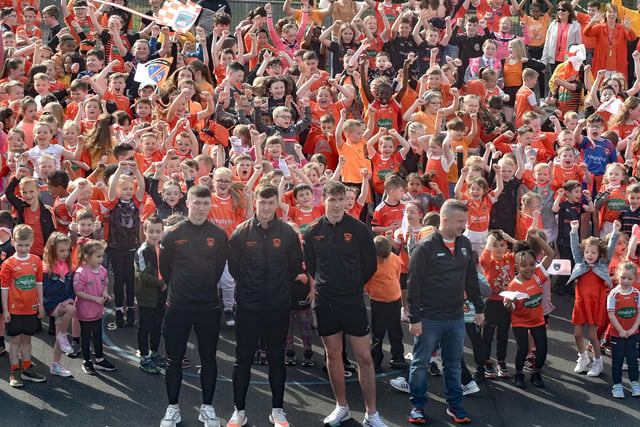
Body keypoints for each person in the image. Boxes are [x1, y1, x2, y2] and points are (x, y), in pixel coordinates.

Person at [303, 181, 385, 427]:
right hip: (325, 301)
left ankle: (372, 414)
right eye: (332, 200)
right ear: (324, 200)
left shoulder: (359, 229)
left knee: (364, 357)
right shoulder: (312, 231)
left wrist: (353, 285)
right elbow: (312, 266)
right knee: (333, 354)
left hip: (352, 300)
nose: (337, 204)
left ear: (346, 200)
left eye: (341, 199)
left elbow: (369, 265)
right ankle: (341, 407)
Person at [227, 184, 304, 427]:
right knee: (243, 358)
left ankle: (278, 410)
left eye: (272, 203)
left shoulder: (288, 233)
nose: (267, 207)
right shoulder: (241, 232)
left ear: (277, 203)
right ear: (256, 202)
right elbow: (234, 267)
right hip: (249, 305)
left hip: (277, 306)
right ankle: (239, 410)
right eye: (263, 202)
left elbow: (294, 267)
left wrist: (280, 291)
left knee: (276, 358)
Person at [407, 199, 485, 425]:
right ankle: (417, 406)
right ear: (445, 220)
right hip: (429, 317)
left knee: (453, 364)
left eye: (465, 220)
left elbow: (471, 278)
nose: (464, 225)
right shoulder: (425, 247)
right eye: (460, 221)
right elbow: (413, 284)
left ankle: (455, 406)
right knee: (420, 364)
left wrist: (478, 308)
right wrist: (414, 318)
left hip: (455, 317)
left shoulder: (465, 244)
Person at [158, 185, 228, 427]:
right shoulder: (173, 233)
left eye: (205, 203)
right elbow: (165, 269)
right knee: (173, 359)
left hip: (208, 306)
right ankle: (172, 408)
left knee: (209, 358)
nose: (201, 208)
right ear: (187, 203)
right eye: (196, 203)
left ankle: (207, 408)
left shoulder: (219, 235)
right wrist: (179, 290)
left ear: (211, 205)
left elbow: (218, 268)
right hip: (178, 305)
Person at [1, 225, 46, 387]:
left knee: (27, 339)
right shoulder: (8, 264)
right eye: (19, 244)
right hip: (14, 309)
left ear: (32, 243)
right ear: (13, 242)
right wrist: (5, 309)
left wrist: (40, 304)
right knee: (14, 340)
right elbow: (4, 288)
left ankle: (27, 368)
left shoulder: (36, 261)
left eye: (26, 245)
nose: (22, 248)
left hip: (31, 309)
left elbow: (39, 283)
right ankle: (14, 371)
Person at [74, 239, 115, 375]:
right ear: (87, 256)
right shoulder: (81, 272)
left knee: (97, 334)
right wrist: (95, 299)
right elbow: (78, 292)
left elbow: (105, 283)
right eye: (98, 256)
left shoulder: (102, 270)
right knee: (85, 335)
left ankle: (99, 359)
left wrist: (104, 293)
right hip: (85, 311)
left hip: (97, 310)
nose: (101, 259)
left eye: (102, 256)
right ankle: (87, 361)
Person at [134, 214, 166, 375]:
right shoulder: (143, 251)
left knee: (156, 326)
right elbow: (142, 275)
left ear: (162, 232)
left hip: (161, 296)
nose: (154, 235)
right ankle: (144, 357)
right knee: (145, 326)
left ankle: (154, 352)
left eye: (158, 231)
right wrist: (161, 283)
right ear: (145, 231)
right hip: (147, 296)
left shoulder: (163, 248)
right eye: (151, 231)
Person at [42, 232, 76, 377]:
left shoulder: (69, 265)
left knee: (70, 307)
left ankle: (56, 364)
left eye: (67, 250)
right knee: (71, 310)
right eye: (61, 251)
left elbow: (72, 289)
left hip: (63, 303)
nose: (65, 253)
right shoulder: (47, 267)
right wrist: (61, 280)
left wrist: (70, 298)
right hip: (51, 303)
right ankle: (63, 334)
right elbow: (47, 291)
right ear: (52, 250)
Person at [607, 260, 640, 398]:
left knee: (633, 360)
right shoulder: (614, 294)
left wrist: (633, 329)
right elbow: (611, 314)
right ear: (617, 275)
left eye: (629, 278)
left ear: (635, 279)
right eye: (623, 277)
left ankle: (634, 383)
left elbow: (639, 313)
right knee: (618, 361)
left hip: (633, 334)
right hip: (617, 334)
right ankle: (617, 385)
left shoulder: (637, 293)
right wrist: (620, 330)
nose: (626, 281)